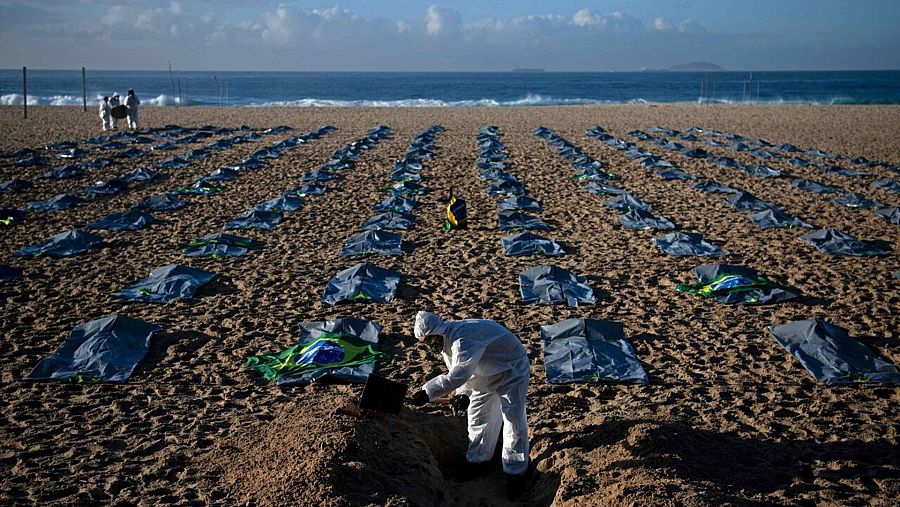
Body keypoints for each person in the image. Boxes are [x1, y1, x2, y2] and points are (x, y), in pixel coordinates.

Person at [409, 311, 532, 498]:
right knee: (477, 419)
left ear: (436, 332)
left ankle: (515, 473)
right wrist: (463, 394)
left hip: (510, 371)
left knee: (513, 421)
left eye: (429, 341)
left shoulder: (462, 339)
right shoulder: (447, 341)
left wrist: (427, 393)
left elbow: (459, 374)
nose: (429, 346)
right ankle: (478, 462)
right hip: (484, 378)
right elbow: (460, 370)